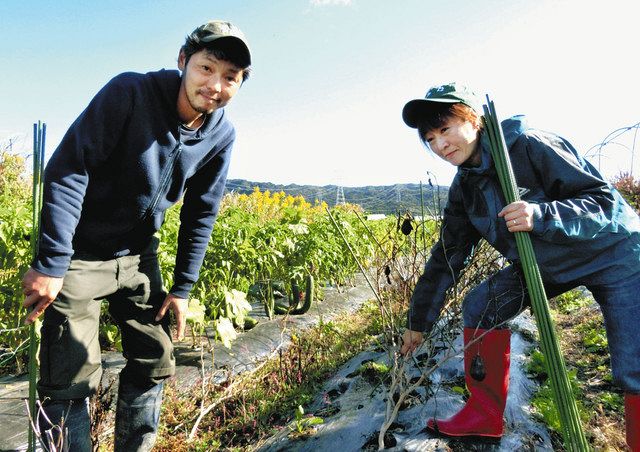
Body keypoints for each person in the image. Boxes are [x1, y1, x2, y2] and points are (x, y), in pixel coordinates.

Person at [21, 20, 251, 451]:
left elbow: (202, 212)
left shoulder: (221, 134)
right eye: (207, 68)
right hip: (80, 256)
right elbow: (70, 168)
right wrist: (53, 263)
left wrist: (182, 288)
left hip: (139, 258)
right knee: (70, 375)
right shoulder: (130, 92)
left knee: (154, 357)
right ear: (184, 61)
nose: (215, 85)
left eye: (231, 77)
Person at [399, 83, 640, 450]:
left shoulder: (528, 144)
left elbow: (603, 203)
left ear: (473, 119)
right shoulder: (465, 188)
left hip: (615, 253)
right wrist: (419, 323)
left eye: (445, 129)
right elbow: (447, 258)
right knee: (481, 305)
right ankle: (484, 414)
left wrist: (541, 214)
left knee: (633, 367)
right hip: (547, 264)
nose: (440, 145)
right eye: (430, 139)